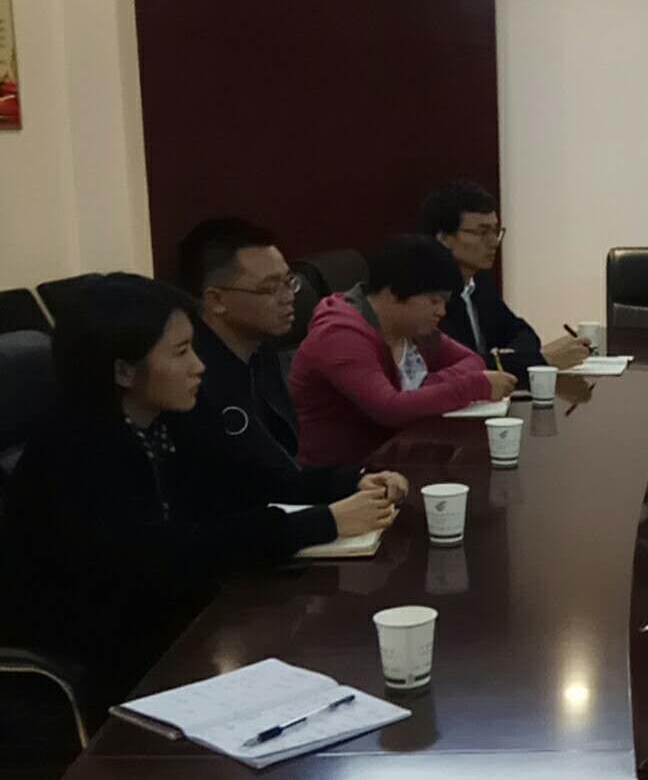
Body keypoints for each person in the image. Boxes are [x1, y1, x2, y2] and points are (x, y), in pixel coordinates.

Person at [1, 274, 404, 718]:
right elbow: (166, 555)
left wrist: (352, 482)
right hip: (109, 654)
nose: (199, 366)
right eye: (180, 352)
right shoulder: (76, 451)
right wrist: (323, 522)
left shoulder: (164, 418)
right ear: (123, 371)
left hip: (180, 618)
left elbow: (250, 482)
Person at [291, 234, 515, 468]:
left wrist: (425, 386)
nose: (441, 312)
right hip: (344, 476)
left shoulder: (412, 330)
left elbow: (473, 361)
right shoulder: (340, 335)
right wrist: (472, 386)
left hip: (398, 459)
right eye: (434, 301)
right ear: (393, 293)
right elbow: (390, 409)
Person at [171, 217, 311, 476]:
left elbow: (284, 464)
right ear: (216, 300)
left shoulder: (261, 350)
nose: (288, 297)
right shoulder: (191, 379)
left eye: (289, 281)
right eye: (270, 288)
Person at [424, 180, 590, 382]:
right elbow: (459, 367)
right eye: (482, 232)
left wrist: (510, 359)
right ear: (444, 238)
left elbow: (522, 332)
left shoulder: (479, 281)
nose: (494, 242)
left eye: (495, 231)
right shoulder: (427, 295)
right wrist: (539, 360)